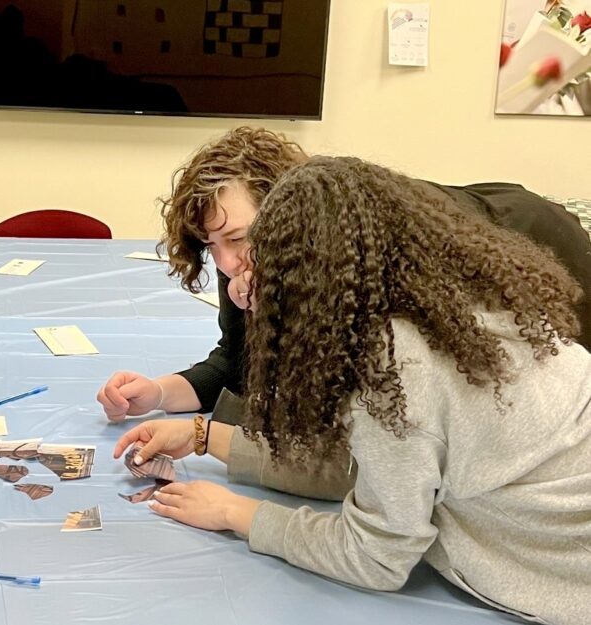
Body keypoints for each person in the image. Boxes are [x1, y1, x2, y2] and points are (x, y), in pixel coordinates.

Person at [115, 157, 591, 625]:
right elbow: (370, 467)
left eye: (255, 254)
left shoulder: (395, 366)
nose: (238, 276)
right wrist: (204, 435)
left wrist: (237, 513)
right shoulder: (447, 299)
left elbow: (375, 557)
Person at [97, 127, 591, 421]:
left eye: (239, 239)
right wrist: (159, 393)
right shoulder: (244, 261)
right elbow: (237, 365)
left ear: (289, 215)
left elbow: (359, 410)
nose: (226, 264)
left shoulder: (364, 263)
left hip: (535, 239)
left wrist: (208, 436)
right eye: (211, 246)